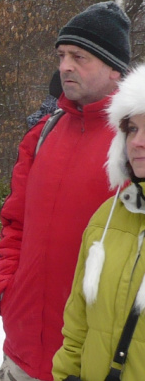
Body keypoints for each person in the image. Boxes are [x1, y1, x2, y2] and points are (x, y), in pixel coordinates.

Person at [0, 1, 131, 381]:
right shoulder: (42, 135)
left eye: (79, 56)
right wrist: (6, 286)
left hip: (91, 360)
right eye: (62, 55)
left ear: (114, 67)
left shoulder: (133, 143)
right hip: (21, 349)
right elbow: (14, 223)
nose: (65, 65)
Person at [52, 63, 145, 381]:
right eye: (132, 128)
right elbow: (78, 321)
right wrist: (65, 375)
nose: (137, 142)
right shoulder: (106, 216)